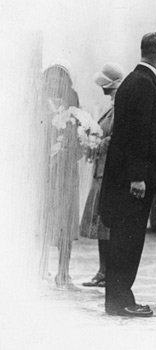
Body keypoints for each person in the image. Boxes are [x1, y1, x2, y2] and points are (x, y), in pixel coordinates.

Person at [99, 32, 156, 317]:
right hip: (133, 182)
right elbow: (137, 134)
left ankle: (118, 299)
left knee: (125, 239)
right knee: (127, 240)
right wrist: (138, 176)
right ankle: (121, 301)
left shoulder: (136, 80)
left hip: (128, 178)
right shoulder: (143, 83)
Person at [39, 60, 84, 288]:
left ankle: (63, 271)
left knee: (66, 223)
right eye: (52, 78)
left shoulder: (73, 103)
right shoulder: (39, 104)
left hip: (67, 172)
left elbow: (81, 134)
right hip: (45, 172)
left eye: (61, 78)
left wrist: (71, 148)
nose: (56, 82)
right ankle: (40, 268)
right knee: (44, 221)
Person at [80, 62, 124, 288]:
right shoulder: (112, 105)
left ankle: (107, 272)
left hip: (109, 172)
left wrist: (97, 144)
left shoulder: (121, 106)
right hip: (101, 170)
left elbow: (116, 137)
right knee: (100, 224)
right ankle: (103, 270)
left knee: (106, 224)